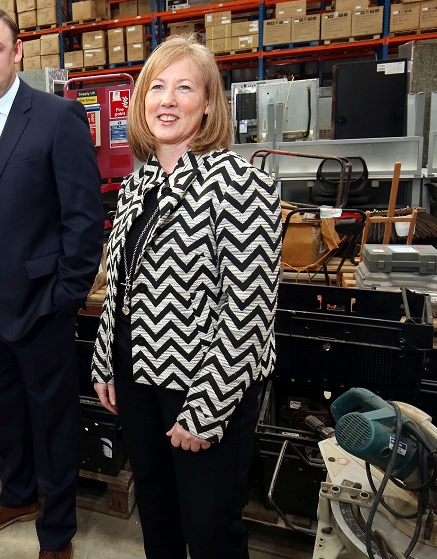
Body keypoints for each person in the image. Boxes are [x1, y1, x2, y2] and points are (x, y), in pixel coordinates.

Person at [91, 34, 282, 558]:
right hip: (137, 377)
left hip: (202, 385)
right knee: (157, 513)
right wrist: (107, 361)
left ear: (208, 103)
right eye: (157, 87)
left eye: (184, 88)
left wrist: (206, 409)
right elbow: (121, 285)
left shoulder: (241, 183)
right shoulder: (140, 182)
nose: (168, 100)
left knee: (211, 529)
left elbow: (248, 310)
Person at [0, 7, 104, 559]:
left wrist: (63, 298)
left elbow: (83, 219)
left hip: (38, 303)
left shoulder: (58, 117)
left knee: (52, 417)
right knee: (4, 407)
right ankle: (17, 494)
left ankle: (57, 533)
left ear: (17, 54)